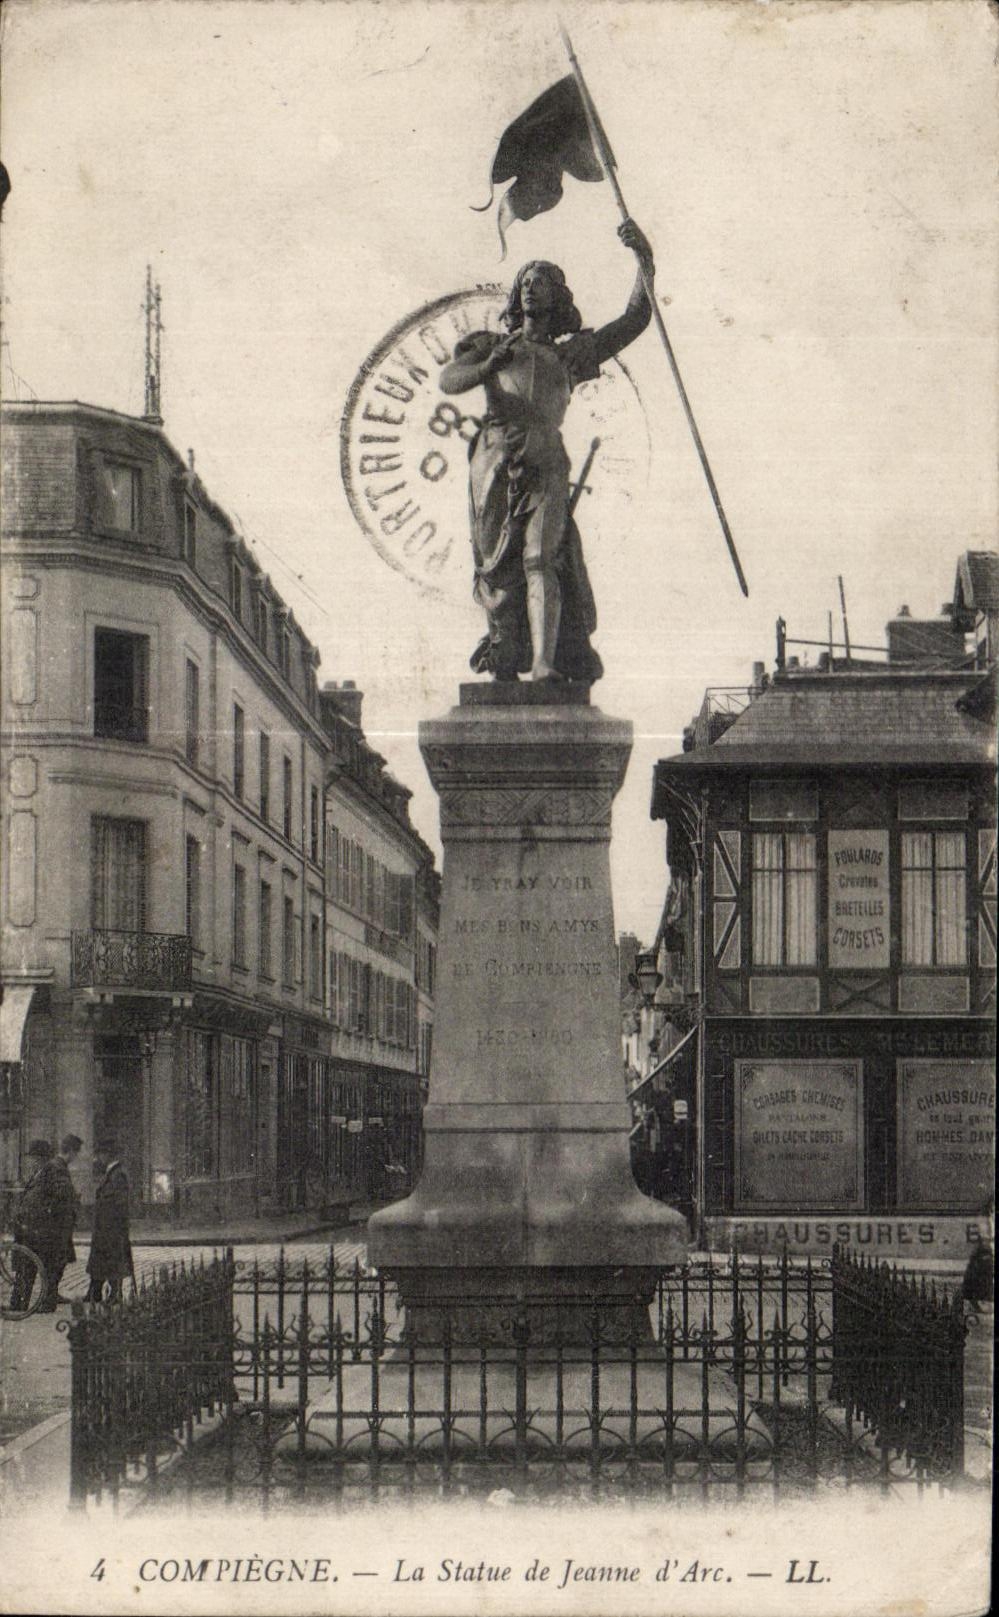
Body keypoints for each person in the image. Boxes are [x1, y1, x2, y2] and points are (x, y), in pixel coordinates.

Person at [439, 219, 655, 683]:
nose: (531, 287)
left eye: (541, 282)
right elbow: (449, 380)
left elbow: (635, 318)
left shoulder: (572, 354)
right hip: (495, 459)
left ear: (558, 297)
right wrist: (487, 366)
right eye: (526, 281)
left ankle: (543, 664)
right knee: (497, 566)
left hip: (547, 458)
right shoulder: (492, 346)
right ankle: (504, 654)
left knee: (542, 557)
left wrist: (645, 261)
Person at [9, 1139, 62, 1312]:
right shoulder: (38, 1173)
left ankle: (47, 1304)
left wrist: (45, 1220)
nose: (30, 1161)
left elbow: (56, 1202)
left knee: (45, 1267)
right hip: (30, 1229)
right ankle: (18, 1303)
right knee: (26, 1266)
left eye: (32, 1157)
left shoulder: (50, 1174)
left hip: (42, 1230)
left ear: (41, 1158)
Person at [86, 1147, 133, 1304]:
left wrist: (117, 1227)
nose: (98, 1158)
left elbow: (120, 1203)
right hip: (104, 1226)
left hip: (111, 1227)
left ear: (107, 1154)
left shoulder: (118, 1174)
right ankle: (94, 1292)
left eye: (100, 1154)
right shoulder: (111, 1172)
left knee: (113, 1260)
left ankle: (115, 1294)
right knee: (100, 1259)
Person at [49, 1132, 83, 1304]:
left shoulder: (59, 1166)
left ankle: (52, 1292)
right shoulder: (58, 1166)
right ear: (70, 1151)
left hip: (61, 1222)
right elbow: (60, 1193)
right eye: (76, 1153)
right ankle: (50, 1293)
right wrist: (74, 1197)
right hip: (58, 1223)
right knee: (57, 1259)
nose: (76, 1157)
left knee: (60, 1259)